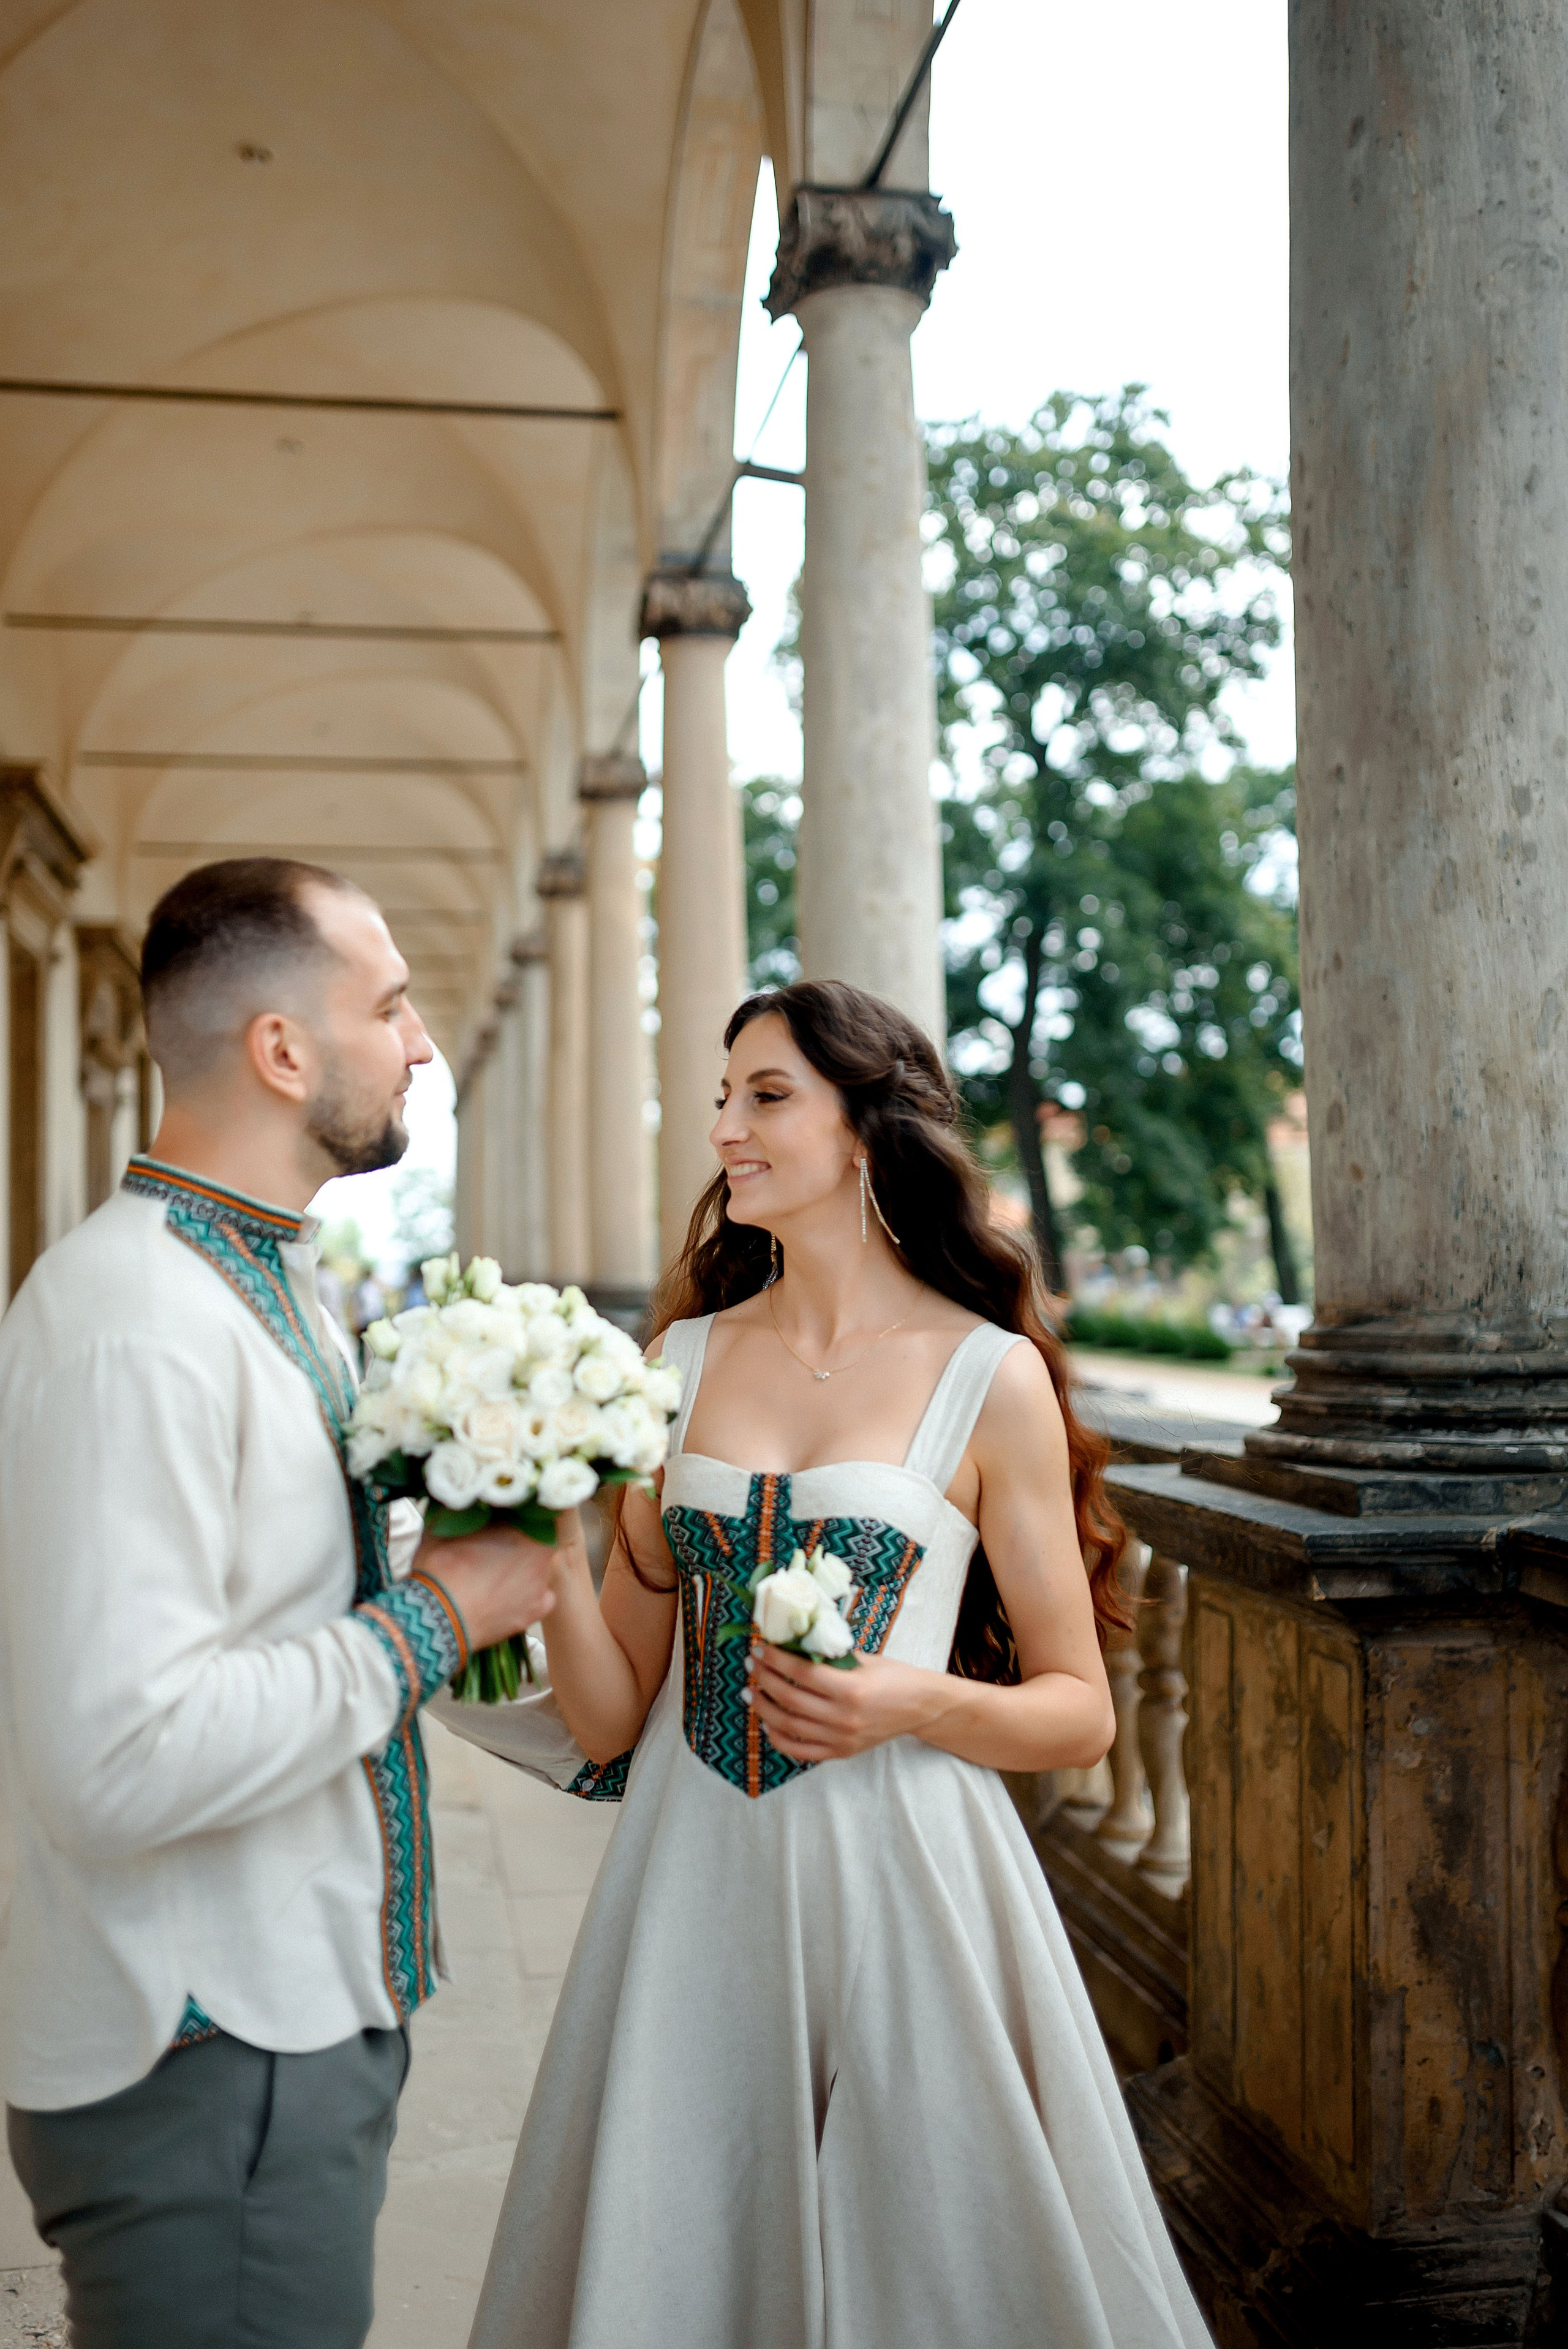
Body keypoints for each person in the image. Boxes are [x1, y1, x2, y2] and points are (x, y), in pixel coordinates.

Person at [439, 979, 1213, 2348]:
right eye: (721, 1098)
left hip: (906, 1878)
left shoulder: (989, 1378)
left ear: (867, 1128)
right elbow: (616, 1717)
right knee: (681, 2240)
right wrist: (547, 1543)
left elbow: (1080, 1713)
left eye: (768, 1094)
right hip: (689, 1889)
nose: (727, 1127)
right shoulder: (670, 1363)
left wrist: (909, 1699)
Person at [0, 858, 563, 2349]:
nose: (422, 1041)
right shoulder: (134, 1321)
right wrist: (433, 1620)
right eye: (389, 1005)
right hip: (202, 2051)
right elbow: (112, 1759)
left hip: (283, 2030)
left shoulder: (271, 1290)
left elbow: (281, 1606)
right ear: (282, 1051)